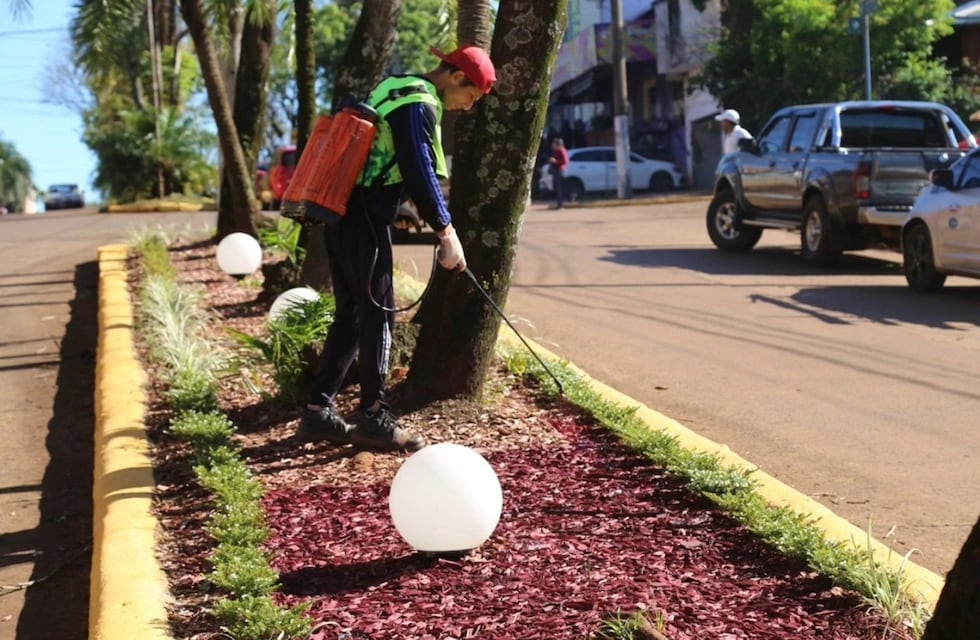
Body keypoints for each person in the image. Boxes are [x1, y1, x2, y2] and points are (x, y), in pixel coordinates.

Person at [298, 43, 496, 452]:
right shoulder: (419, 103)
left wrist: (405, 207)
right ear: (456, 77)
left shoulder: (395, 85)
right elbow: (418, 169)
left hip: (340, 210)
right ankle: (374, 417)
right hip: (365, 219)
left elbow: (381, 155)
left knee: (354, 313)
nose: (468, 105)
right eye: (471, 95)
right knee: (380, 315)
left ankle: (317, 410)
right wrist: (446, 232)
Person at [547, 137, 569, 208]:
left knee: (559, 188)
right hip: (556, 170)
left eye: (554, 144)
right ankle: (559, 204)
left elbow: (565, 161)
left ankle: (560, 205)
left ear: (557, 144)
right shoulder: (556, 151)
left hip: (559, 170)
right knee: (557, 188)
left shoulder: (561, 150)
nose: (552, 145)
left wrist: (555, 161)